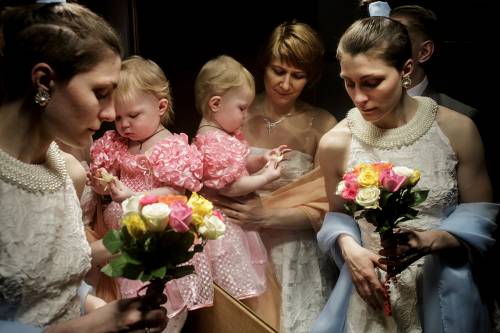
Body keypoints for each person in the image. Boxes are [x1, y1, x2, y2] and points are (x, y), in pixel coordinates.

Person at [311, 16, 498, 333]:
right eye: (348, 82)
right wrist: (350, 248)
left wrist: (432, 239)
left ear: (406, 69)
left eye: (371, 82)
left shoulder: (457, 130)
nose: (358, 97)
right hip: (370, 291)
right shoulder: (335, 142)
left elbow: (480, 215)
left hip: (442, 286)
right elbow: (338, 216)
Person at [0, 2, 167, 332]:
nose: (109, 115)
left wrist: (97, 306)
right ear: (44, 81)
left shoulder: (70, 172)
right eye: (100, 93)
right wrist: (94, 326)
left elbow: (53, 287)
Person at [212, 21, 338, 333]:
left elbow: (332, 206)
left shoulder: (322, 124)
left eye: (298, 75)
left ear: (311, 78)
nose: (285, 83)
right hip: (237, 244)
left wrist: (267, 216)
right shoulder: (233, 115)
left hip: (294, 249)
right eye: (278, 71)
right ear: (263, 67)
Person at [88, 55, 212, 332]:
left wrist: (131, 196)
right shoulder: (117, 144)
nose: (124, 125)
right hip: (118, 242)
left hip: (154, 239)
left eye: (133, 115)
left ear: (160, 106)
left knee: (157, 310)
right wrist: (100, 184)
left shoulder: (169, 146)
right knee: (123, 312)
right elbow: (105, 188)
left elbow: (174, 193)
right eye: (118, 117)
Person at [193, 54, 287, 302]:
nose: (246, 115)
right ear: (215, 104)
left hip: (233, 224)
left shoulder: (222, 136)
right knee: (234, 291)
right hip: (224, 228)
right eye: (241, 108)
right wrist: (266, 177)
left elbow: (238, 166)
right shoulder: (212, 141)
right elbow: (231, 186)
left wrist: (262, 159)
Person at [388, 4, 479, 119]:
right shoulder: (360, 107)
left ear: (424, 52)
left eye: (395, 38)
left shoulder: (461, 116)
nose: (381, 45)